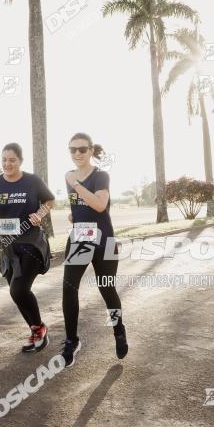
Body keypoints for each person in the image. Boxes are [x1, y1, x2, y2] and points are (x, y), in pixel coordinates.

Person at [61, 132, 128, 368]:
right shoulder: (69, 176)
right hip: (80, 239)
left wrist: (76, 185)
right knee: (69, 288)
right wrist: (75, 215)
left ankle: (119, 331)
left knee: (107, 289)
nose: (77, 153)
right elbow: (81, 206)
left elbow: (99, 205)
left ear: (90, 151)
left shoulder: (100, 176)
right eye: (72, 150)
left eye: (81, 149)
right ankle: (71, 341)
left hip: (104, 241)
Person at [0, 143, 55, 351]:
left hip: (31, 242)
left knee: (18, 289)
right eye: (4, 160)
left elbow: (50, 201)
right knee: (17, 293)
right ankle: (37, 330)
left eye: (12, 160)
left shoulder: (32, 181)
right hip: (7, 246)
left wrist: (40, 214)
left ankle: (39, 329)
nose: (7, 164)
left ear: (20, 161)